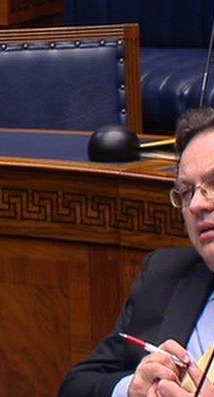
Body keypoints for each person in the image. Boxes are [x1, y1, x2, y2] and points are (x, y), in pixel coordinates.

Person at [59, 108, 214, 397]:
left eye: (213, 183)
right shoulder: (165, 274)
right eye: (186, 192)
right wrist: (131, 388)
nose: (196, 205)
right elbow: (76, 386)